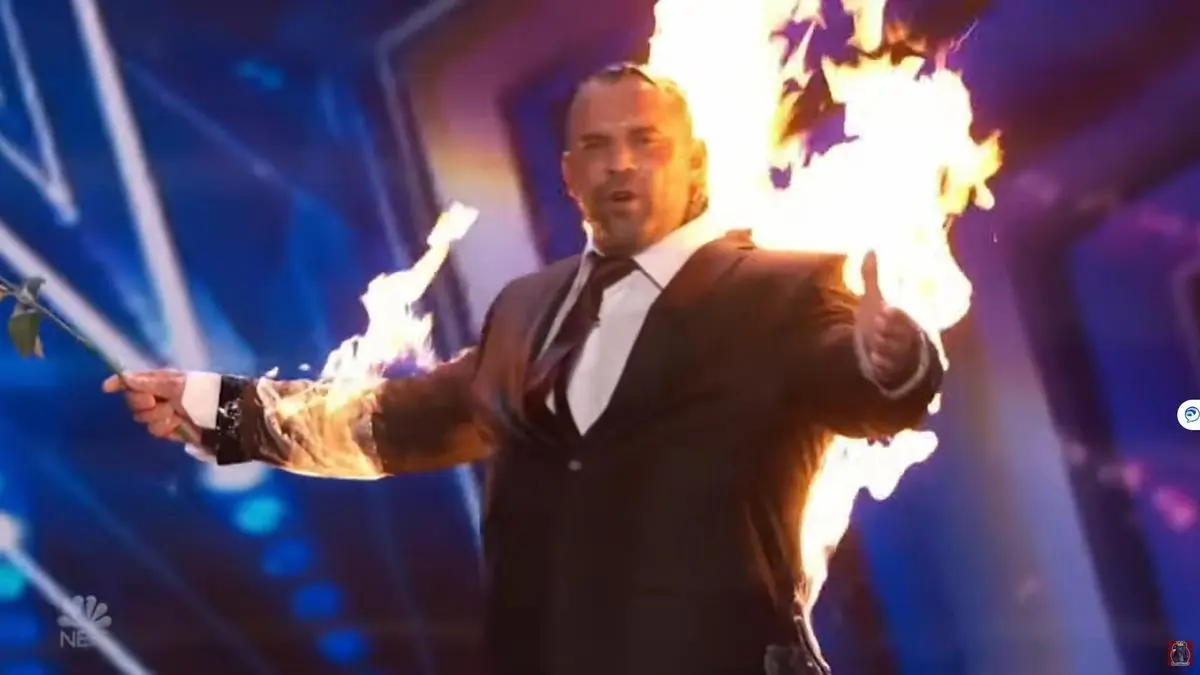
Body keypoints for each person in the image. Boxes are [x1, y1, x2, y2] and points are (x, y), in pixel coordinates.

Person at [104, 63, 942, 675]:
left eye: (646, 142)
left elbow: (861, 384)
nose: (621, 163)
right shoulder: (526, 311)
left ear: (694, 162)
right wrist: (212, 407)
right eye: (596, 147)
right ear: (570, 176)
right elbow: (388, 423)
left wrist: (894, 359)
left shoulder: (780, 290)